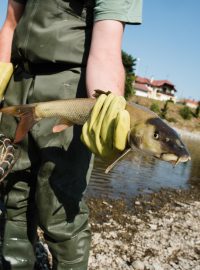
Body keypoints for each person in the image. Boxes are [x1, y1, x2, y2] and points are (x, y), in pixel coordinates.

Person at [0, 0, 143, 269]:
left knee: (60, 206)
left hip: (72, 90)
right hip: (18, 83)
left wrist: (106, 107)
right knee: (13, 193)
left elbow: (105, 52)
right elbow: (11, 23)